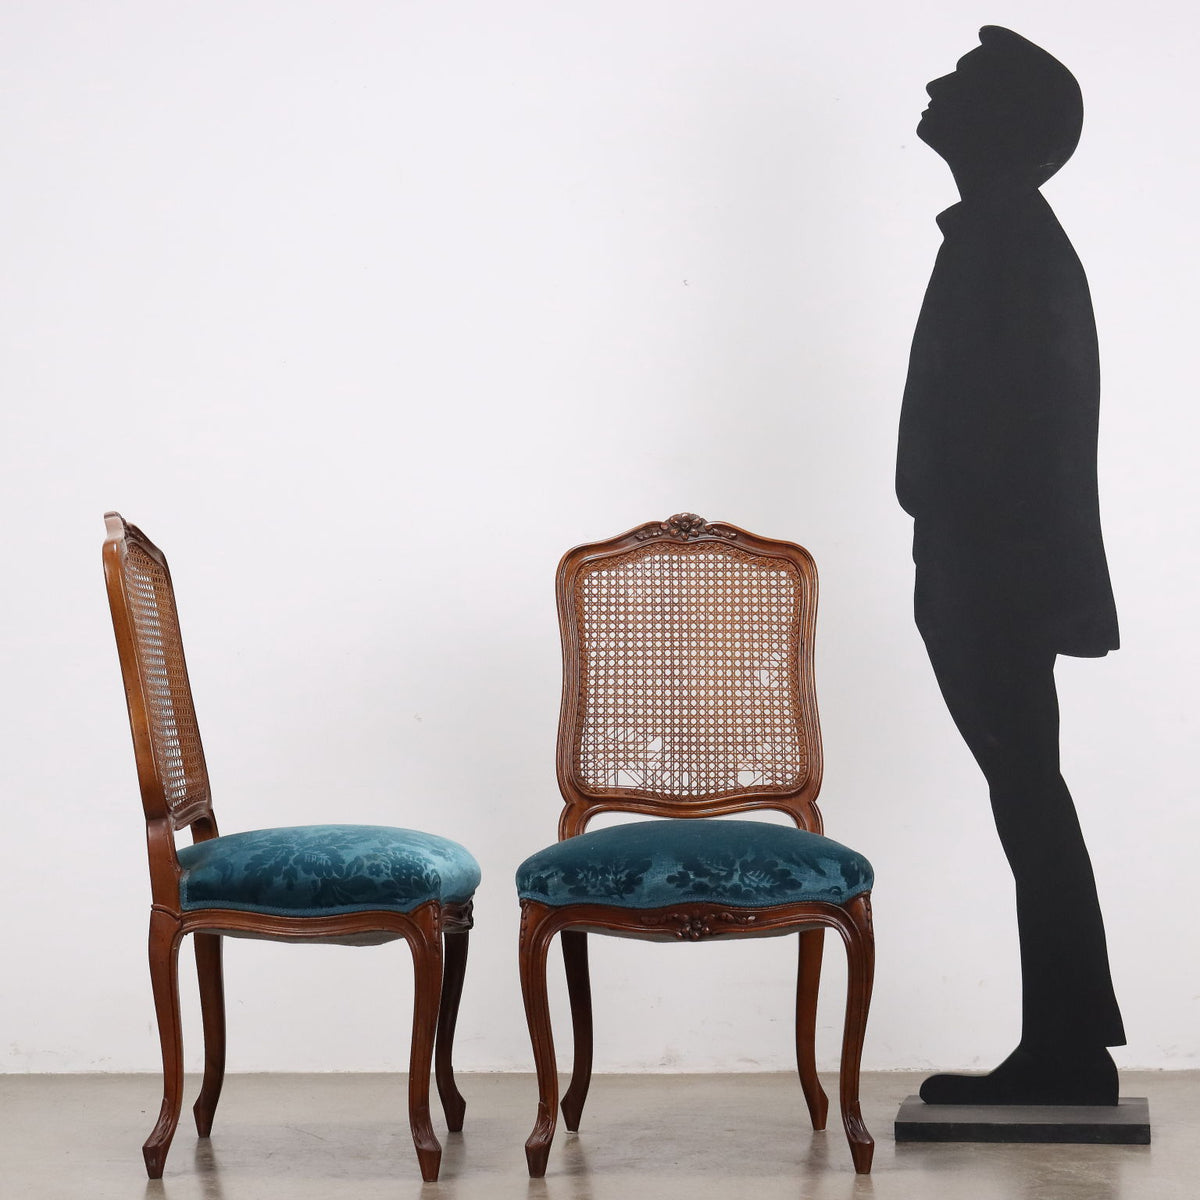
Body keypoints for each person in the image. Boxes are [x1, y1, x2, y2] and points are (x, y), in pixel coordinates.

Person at [897, 25, 1125, 1105]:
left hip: (995, 574)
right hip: (984, 565)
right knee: (1029, 793)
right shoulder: (999, 234)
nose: (935, 83)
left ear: (999, 122)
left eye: (961, 79)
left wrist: (970, 548)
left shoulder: (1010, 241)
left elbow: (1033, 428)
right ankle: (1069, 1039)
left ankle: (1069, 1046)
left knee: (1029, 793)